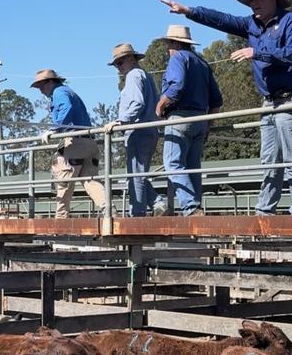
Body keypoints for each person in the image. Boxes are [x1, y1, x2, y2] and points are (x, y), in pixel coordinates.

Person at [159, 0, 292, 215]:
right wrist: (188, 11)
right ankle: (265, 211)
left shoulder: (291, 21)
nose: (254, 3)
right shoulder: (252, 25)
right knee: (269, 160)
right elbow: (222, 20)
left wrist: (257, 51)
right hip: (270, 102)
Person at [155, 25, 223, 217]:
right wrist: (208, 123)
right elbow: (216, 100)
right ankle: (195, 206)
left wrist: (160, 105)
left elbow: (177, 86)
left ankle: (190, 206)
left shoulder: (178, 58)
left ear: (175, 43)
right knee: (193, 165)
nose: (168, 48)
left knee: (173, 163)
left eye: (168, 44)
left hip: (180, 116)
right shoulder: (202, 63)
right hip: (201, 118)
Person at [31, 69, 106, 219]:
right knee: (90, 179)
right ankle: (108, 209)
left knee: (63, 177)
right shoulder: (67, 91)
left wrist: (54, 128)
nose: (40, 90)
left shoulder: (59, 92)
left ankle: (61, 218)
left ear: (50, 82)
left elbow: (66, 107)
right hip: (90, 142)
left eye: (41, 86)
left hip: (75, 141)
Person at [106, 43, 167, 218]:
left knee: (135, 175)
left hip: (138, 131)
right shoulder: (144, 75)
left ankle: (138, 213)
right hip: (148, 129)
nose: (119, 67)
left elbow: (136, 104)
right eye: (117, 64)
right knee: (138, 173)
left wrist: (120, 121)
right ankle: (157, 203)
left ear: (132, 59)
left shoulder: (133, 75)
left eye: (121, 62)